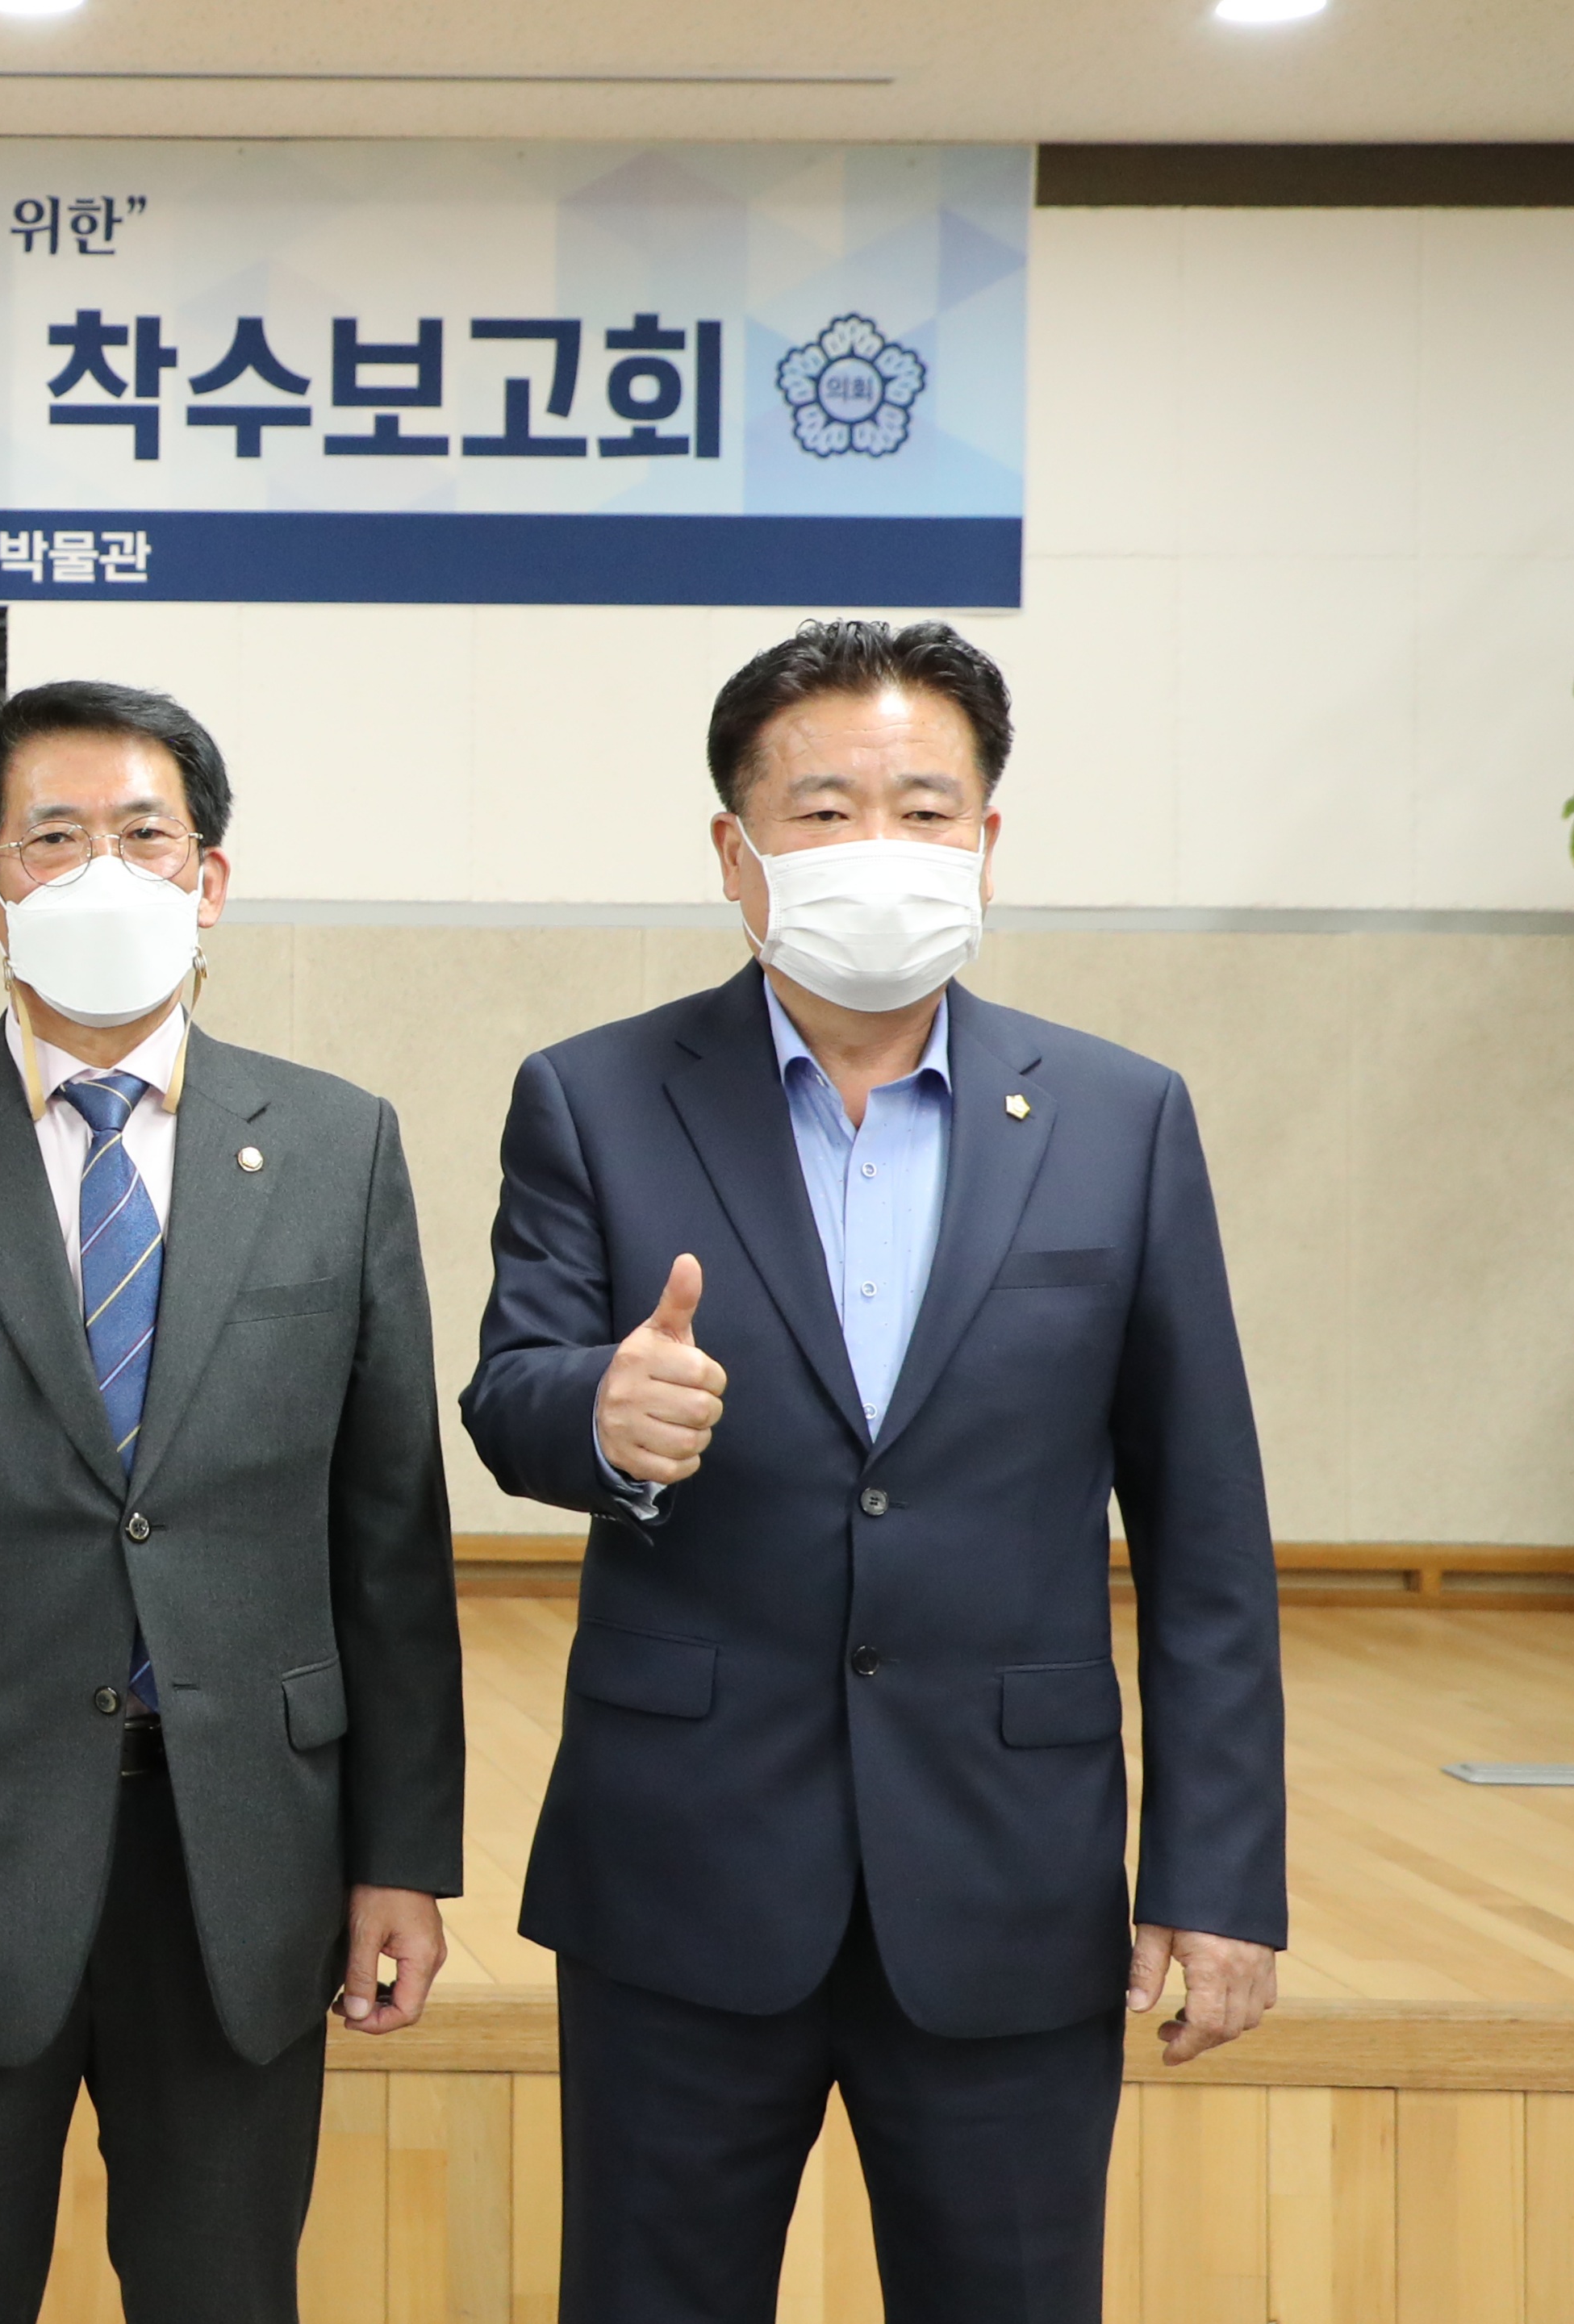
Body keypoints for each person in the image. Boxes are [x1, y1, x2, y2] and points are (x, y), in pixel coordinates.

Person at [461, 620, 1285, 2322]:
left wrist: (1216, 1881)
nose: (880, 847)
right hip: (682, 1868)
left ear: (986, 841)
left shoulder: (1120, 1116)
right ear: (735, 853)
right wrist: (602, 1413)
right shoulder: (595, 1095)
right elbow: (510, 1387)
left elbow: (1204, 1532)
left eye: (925, 809)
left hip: (1008, 1875)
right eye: (826, 810)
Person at [0, 681, 467, 2324]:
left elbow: (388, 1534)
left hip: (247, 1854)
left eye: (145, 836)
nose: (106, 872)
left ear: (211, 878)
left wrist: (401, 1857)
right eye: (54, 840)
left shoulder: (337, 1146)